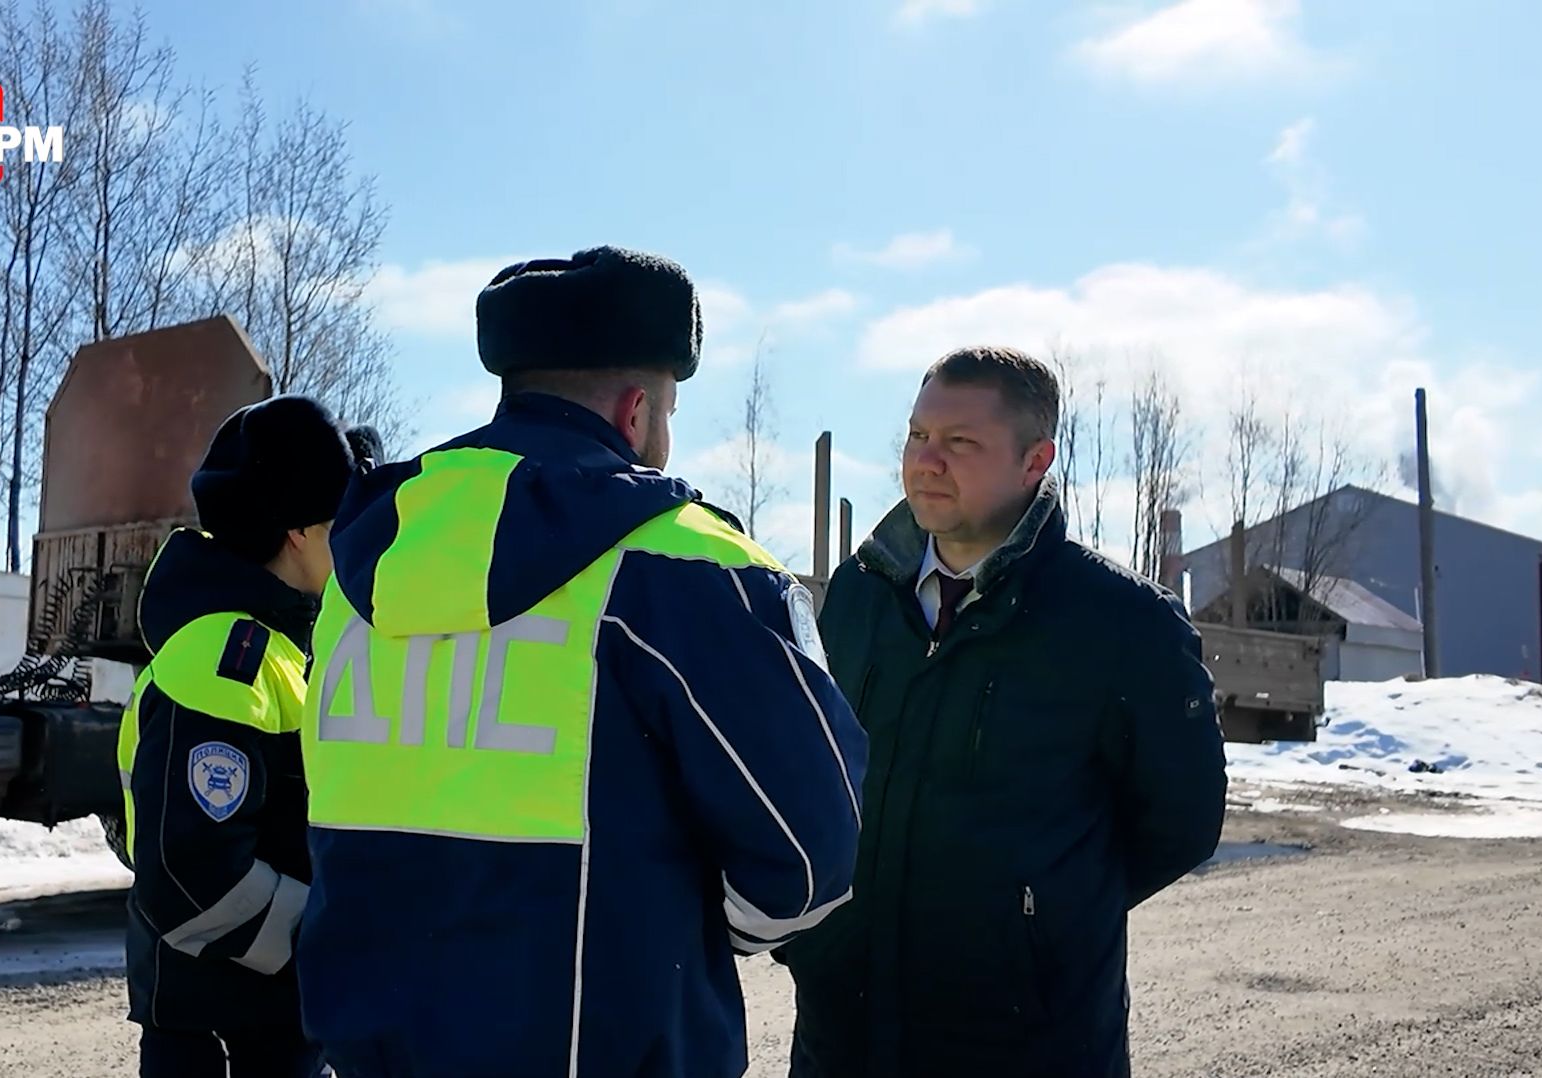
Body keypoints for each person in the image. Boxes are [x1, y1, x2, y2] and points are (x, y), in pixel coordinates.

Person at [296, 246, 869, 1078]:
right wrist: (706, 925)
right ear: (638, 412)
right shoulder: (686, 565)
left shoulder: (364, 564)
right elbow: (809, 857)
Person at [779, 347, 1227, 1077]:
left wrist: (1037, 922)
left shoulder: (1122, 624)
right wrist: (817, 936)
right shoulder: (862, 592)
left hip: (1026, 1044)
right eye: (919, 436)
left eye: (960, 444)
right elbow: (817, 766)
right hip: (843, 1032)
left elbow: (1180, 823)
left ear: (1034, 461)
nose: (927, 461)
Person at [114, 395, 363, 1078]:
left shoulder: (274, 650)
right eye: (340, 519)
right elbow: (194, 877)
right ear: (297, 533)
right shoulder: (227, 662)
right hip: (226, 1031)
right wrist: (335, 938)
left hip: (259, 1017)